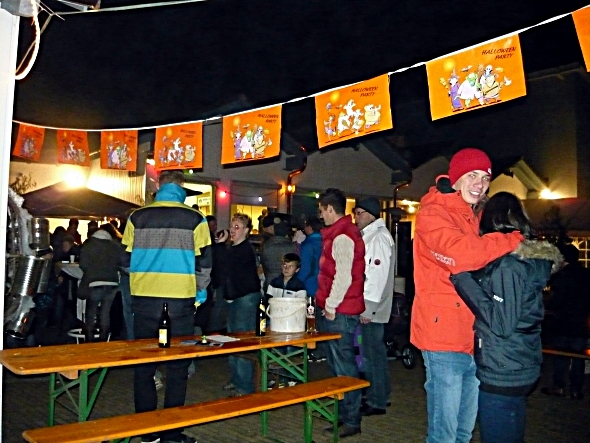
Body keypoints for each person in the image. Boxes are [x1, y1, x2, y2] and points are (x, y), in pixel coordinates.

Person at [411, 148, 524, 443]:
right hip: (443, 336)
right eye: (472, 175)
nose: (480, 184)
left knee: (463, 432)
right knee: (444, 435)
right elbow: (464, 256)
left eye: (485, 178)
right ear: (456, 178)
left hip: (474, 337)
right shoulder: (433, 214)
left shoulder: (474, 216)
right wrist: (512, 240)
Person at [450, 192, 562, 443]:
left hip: (503, 369)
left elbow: (502, 323)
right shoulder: (530, 261)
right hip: (521, 362)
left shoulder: (508, 266)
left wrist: (463, 280)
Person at [122, 169, 211, 443]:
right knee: (177, 370)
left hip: (145, 302)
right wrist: (199, 293)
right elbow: (205, 264)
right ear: (182, 186)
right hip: (180, 302)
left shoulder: (136, 217)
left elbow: (124, 261)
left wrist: (146, 274)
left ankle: (147, 433)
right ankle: (171, 434)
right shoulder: (196, 218)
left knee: (144, 368)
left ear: (158, 185)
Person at [316, 188, 365, 439]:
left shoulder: (342, 236)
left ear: (330, 209)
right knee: (341, 364)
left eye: (322, 210)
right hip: (343, 309)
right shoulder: (343, 232)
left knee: (344, 367)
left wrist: (330, 306)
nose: (321, 215)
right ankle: (346, 415)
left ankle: (350, 419)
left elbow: (342, 276)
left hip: (341, 311)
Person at [353, 197, 394, 416]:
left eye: (359, 213)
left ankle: (377, 400)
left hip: (373, 307)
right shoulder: (373, 235)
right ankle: (380, 394)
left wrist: (368, 307)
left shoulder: (377, 238)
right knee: (374, 353)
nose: (356, 217)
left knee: (372, 354)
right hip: (373, 305)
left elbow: (376, 276)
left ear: (370, 214)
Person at [217, 214, 261, 397]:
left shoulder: (245, 250)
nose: (232, 230)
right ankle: (236, 379)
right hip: (235, 297)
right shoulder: (233, 248)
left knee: (242, 340)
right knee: (232, 338)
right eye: (232, 226)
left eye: (237, 227)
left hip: (245, 298)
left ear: (246, 231)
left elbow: (230, 268)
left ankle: (245, 385)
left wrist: (221, 246)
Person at [542, 244, 590, 400]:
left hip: (562, 322)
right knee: (578, 358)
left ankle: (559, 386)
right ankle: (576, 389)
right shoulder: (586, 275)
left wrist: (550, 308)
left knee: (560, 356)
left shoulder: (562, 277)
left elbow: (557, 301)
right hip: (580, 323)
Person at [79, 226, 124, 342]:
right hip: (112, 282)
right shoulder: (115, 246)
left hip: (95, 282)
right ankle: (104, 339)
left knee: (91, 312)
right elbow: (121, 262)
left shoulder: (89, 245)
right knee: (105, 312)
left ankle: (89, 340)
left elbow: (83, 264)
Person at [298, 215, 326, 362]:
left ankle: (315, 350)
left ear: (309, 227)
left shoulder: (308, 245)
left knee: (311, 320)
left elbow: (305, 268)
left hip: (310, 286)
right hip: (324, 286)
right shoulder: (326, 242)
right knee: (322, 320)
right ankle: (323, 349)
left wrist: (297, 282)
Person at [260, 214, 296, 291]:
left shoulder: (266, 245)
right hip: (286, 283)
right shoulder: (292, 247)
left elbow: (263, 264)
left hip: (270, 281)